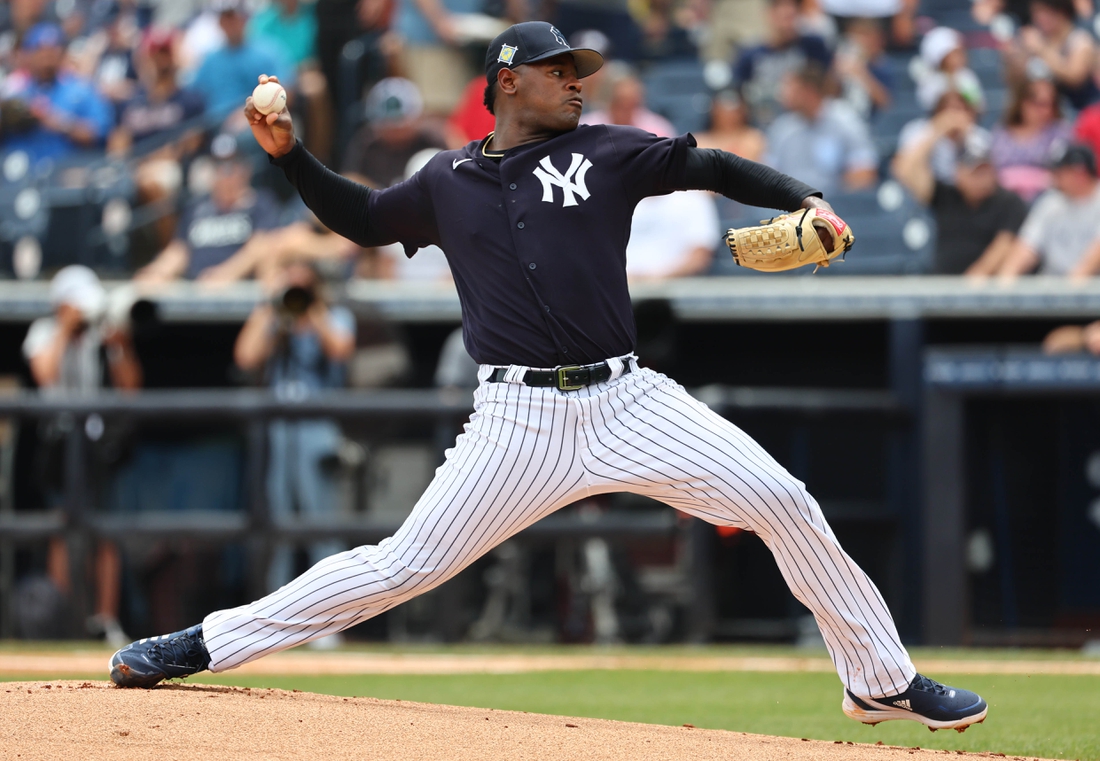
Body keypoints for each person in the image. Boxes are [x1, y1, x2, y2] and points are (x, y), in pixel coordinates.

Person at [108, 21, 989, 735]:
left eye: (581, 71)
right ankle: (196, 644)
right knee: (399, 565)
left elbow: (709, 165)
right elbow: (366, 220)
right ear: (505, 82)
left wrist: (803, 198)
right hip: (514, 422)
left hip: (628, 398)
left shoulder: (608, 151)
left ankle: (881, 679)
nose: (577, 82)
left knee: (784, 499)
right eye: (557, 69)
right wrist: (289, 155)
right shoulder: (445, 179)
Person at [23, 266, 142, 647]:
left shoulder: (97, 336)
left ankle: (103, 620)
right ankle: (59, 617)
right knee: (62, 529)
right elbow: (44, 374)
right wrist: (64, 328)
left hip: (92, 442)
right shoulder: (44, 332)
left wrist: (117, 343)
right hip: (58, 442)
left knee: (104, 531)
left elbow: (130, 389)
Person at [233, 259, 355, 628]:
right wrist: (274, 303)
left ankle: (328, 621)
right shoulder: (275, 315)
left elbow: (340, 349)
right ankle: (277, 622)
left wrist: (311, 307)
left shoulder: (333, 314)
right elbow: (246, 356)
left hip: (317, 424)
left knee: (321, 523)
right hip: (278, 427)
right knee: (279, 525)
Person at [135, 134, 281, 282]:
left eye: (231, 166)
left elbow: (261, 247)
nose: (225, 174)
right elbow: (180, 250)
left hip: (242, 288)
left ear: (245, 169)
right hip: (197, 289)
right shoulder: (196, 207)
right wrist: (158, 271)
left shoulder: (260, 203)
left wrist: (227, 274)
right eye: (218, 166)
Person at [893, 130, 1028, 275]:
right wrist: (939, 127)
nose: (982, 179)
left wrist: (972, 282)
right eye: (975, 172)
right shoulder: (946, 196)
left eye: (986, 171)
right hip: (944, 286)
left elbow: (1004, 246)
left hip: (986, 288)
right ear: (958, 173)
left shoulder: (1009, 202)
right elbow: (904, 170)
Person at [0, 23, 113, 163]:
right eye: (40, 49)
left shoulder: (82, 89)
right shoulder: (14, 90)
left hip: (67, 172)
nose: (47, 56)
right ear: (27, 54)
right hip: (19, 171)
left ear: (63, 53)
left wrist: (56, 121)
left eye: (53, 49)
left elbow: (100, 134)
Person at [764, 62, 878, 196]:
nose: (782, 93)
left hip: (834, 208)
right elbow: (768, 178)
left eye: (789, 86)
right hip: (790, 208)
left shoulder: (844, 119)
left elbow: (864, 171)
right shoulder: (782, 128)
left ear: (808, 90)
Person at [997, 143, 1100, 277]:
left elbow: (1090, 263)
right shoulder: (1050, 202)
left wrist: (1071, 289)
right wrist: (1005, 280)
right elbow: (1027, 247)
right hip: (1053, 289)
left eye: (1059, 173)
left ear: (1079, 174)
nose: (1053, 178)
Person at [191, 0, 293, 124]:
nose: (229, 23)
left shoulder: (268, 51)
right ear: (219, 23)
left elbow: (286, 92)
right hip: (213, 125)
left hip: (254, 121)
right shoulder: (210, 59)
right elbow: (193, 94)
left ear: (244, 18)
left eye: (232, 17)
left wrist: (254, 111)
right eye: (224, 18)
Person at [733, 0, 831, 128]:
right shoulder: (749, 55)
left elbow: (828, 86)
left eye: (792, 12)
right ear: (770, 14)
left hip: (806, 123)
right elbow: (737, 96)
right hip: (761, 125)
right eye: (783, 13)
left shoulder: (812, 46)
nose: (788, 15)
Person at [341, 77, 447, 187]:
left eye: (400, 123)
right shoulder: (366, 144)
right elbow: (349, 180)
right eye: (386, 124)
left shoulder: (433, 140)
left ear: (418, 117)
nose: (394, 130)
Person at [1003, 0, 1098, 111]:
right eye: (1036, 12)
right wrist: (1014, 56)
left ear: (1062, 12)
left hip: (1081, 112)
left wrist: (1042, 50)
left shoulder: (1080, 40)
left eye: (1045, 12)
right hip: (1046, 115)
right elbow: (1013, 81)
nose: (1039, 18)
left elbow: (1074, 77)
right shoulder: (1036, 39)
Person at [991, 77, 1072, 202]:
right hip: (1004, 203)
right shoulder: (1001, 133)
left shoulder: (1060, 132)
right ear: (1022, 102)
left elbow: (1065, 174)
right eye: (1040, 104)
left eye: (1051, 104)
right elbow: (993, 172)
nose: (1046, 111)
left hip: (1047, 202)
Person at [626, 191, 719, 278]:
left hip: (676, 289)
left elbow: (700, 257)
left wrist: (657, 280)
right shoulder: (616, 199)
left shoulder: (694, 200)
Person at [579, 67, 675, 137]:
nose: (627, 110)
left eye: (633, 104)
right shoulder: (587, 127)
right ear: (609, 102)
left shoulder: (658, 128)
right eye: (620, 104)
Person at [694, 89, 765, 162]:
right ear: (714, 112)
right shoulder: (699, 142)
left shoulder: (753, 139)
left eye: (733, 111)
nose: (728, 116)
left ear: (743, 111)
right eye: (723, 110)